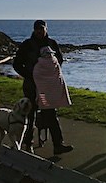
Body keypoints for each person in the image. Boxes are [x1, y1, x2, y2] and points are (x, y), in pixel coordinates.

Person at [12, 19, 73, 155]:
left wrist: (50, 75)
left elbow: (59, 60)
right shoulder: (27, 45)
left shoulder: (52, 43)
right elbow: (16, 64)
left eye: (42, 28)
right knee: (30, 114)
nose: (39, 31)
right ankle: (28, 144)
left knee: (50, 113)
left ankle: (58, 144)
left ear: (46, 29)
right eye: (37, 29)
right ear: (34, 30)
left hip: (47, 90)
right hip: (32, 87)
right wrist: (29, 75)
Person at [31, 45, 74, 154]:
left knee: (47, 117)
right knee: (51, 118)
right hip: (53, 96)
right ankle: (57, 144)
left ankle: (31, 142)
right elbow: (59, 77)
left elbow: (36, 77)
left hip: (43, 95)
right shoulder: (55, 63)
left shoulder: (38, 65)